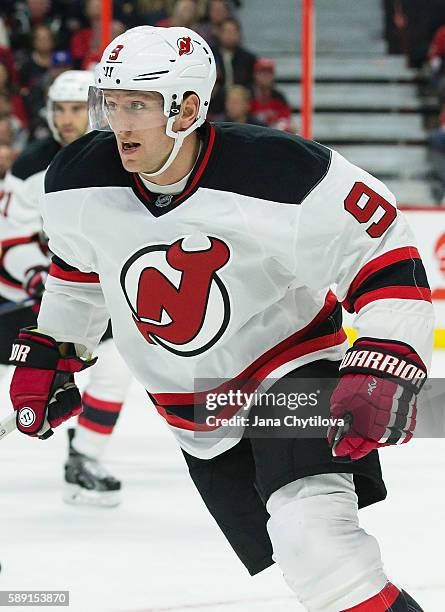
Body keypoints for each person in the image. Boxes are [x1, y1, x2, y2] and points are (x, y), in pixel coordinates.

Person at [9, 26, 433, 611]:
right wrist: (53, 352)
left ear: (187, 107)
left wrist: (390, 355)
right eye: (112, 103)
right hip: (195, 408)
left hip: (290, 372)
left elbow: (384, 253)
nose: (119, 123)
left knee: (319, 550)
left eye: (139, 105)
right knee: (301, 560)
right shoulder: (77, 178)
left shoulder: (281, 173)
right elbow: (80, 277)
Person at [2, 70, 132, 507]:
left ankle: (86, 458)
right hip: (28, 293)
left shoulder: (118, 158)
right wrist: (35, 274)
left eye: (77, 108)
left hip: (87, 288)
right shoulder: (28, 167)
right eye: (60, 108)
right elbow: (10, 241)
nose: (68, 117)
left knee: (115, 365)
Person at [250, 57, 293, 132]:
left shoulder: (279, 97)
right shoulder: (248, 95)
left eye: (268, 73)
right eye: (261, 73)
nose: (265, 76)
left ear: (273, 75)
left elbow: (285, 120)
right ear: (255, 75)